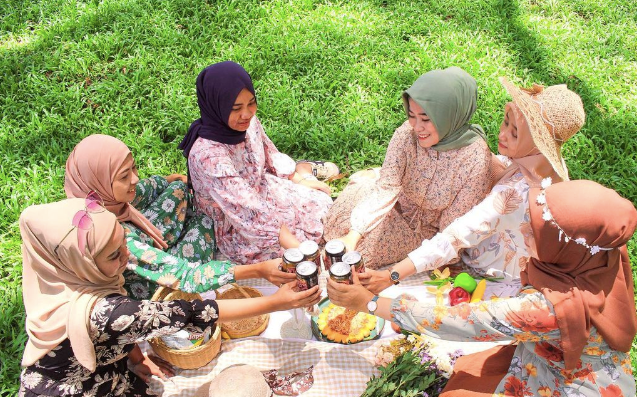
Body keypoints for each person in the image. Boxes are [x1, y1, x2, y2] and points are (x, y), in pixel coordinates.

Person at [328, 179, 637, 397]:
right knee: (467, 366)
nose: (525, 232)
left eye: (536, 230)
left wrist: (367, 303)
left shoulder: (549, 309)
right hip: (568, 362)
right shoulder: (599, 257)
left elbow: (460, 322)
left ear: (565, 245)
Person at [15, 198, 321, 397]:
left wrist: (137, 359)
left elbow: (120, 333)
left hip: (100, 381)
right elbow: (189, 313)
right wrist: (277, 302)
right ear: (78, 263)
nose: (126, 256)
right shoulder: (104, 312)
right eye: (112, 255)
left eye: (123, 243)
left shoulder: (58, 284)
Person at [360, 78, 586, 294]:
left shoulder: (516, 193)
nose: (502, 134)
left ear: (536, 144)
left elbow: (456, 236)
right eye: (506, 121)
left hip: (491, 272)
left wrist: (391, 276)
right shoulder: (539, 164)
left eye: (515, 134)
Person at [65, 134, 295, 300]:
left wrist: (173, 179)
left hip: (152, 246)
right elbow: (186, 276)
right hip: (152, 282)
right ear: (98, 183)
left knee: (180, 192)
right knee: (204, 223)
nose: (134, 179)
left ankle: (170, 239)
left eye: (134, 169)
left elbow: (149, 186)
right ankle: (172, 249)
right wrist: (258, 270)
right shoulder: (110, 236)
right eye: (125, 176)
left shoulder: (105, 199)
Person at [322, 67, 492, 269]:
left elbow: (451, 232)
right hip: (391, 204)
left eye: (427, 119)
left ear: (451, 115)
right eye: (412, 115)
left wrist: (427, 257)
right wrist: (354, 234)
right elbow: (386, 188)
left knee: (362, 253)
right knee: (345, 216)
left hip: (423, 232)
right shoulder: (407, 134)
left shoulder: (475, 159)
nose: (416, 126)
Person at [180, 61, 335, 265]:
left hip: (262, 191)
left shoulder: (246, 122)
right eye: (236, 108)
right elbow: (246, 212)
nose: (247, 114)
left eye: (251, 103)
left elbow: (267, 150)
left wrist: (295, 179)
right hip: (236, 222)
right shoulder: (208, 156)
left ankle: (302, 169)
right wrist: (300, 251)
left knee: (322, 204)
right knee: (285, 255)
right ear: (216, 106)